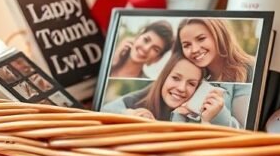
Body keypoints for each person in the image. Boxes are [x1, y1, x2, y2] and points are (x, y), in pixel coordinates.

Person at [101, 54, 235, 126]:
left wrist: (217, 116)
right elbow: (103, 112)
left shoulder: (198, 113)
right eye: (176, 78)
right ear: (164, 77)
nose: (181, 88)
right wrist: (127, 114)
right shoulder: (141, 97)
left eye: (191, 84)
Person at [175, 18, 256, 128]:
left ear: (219, 35)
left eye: (201, 39)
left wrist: (218, 113)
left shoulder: (250, 69)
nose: (194, 49)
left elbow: (247, 130)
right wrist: (180, 114)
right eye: (186, 45)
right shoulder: (192, 78)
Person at [109, 20, 174, 78]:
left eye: (155, 49)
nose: (146, 49)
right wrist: (112, 61)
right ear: (138, 36)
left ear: (157, 59)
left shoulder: (148, 86)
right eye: (146, 40)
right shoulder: (110, 64)